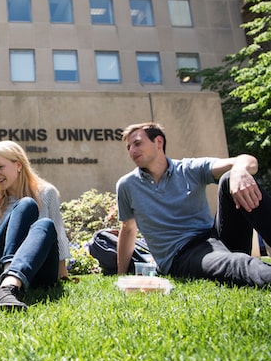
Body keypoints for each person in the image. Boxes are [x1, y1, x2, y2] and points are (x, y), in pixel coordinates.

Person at [116, 122, 271, 287]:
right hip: (182, 255)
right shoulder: (127, 185)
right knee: (237, 263)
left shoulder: (188, 169)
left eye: (138, 143)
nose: (132, 151)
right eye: (128, 147)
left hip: (215, 239)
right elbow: (128, 229)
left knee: (229, 178)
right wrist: (121, 275)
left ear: (159, 142)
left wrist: (239, 171)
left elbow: (247, 160)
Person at [0, 140, 71, 311]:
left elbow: (58, 233)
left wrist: (62, 272)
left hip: (37, 272)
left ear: (18, 165)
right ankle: (6, 284)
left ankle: (8, 286)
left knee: (44, 222)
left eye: (0, 167)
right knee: (26, 205)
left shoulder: (46, 193)